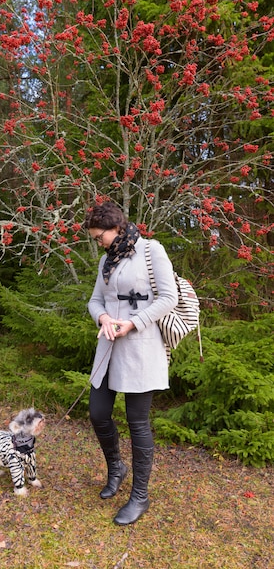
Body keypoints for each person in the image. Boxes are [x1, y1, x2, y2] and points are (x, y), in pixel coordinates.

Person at [84, 201, 178, 526]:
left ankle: (140, 496)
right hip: (109, 349)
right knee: (97, 412)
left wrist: (134, 322)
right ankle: (116, 468)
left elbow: (169, 298)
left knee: (138, 424)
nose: (99, 242)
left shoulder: (152, 251)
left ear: (116, 228)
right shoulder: (105, 261)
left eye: (100, 236)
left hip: (141, 349)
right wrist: (105, 317)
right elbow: (95, 300)